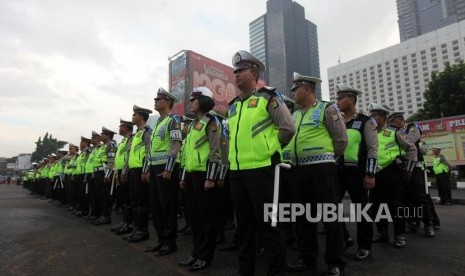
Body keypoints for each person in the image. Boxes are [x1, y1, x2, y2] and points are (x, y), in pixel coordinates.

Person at [228, 50, 295, 276]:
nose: (236, 75)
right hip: (237, 173)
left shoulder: (268, 97)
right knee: (243, 229)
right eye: (234, 71)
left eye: (241, 71)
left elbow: (288, 128)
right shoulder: (233, 105)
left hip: (264, 171)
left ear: (254, 73)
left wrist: (270, 149)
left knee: (271, 227)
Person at [287, 72, 347, 276]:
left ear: (308, 89)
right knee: (302, 218)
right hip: (298, 170)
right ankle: (307, 259)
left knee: (330, 217)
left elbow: (341, 139)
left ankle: (335, 262)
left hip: (322, 169)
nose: (293, 92)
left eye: (296, 88)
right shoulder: (294, 114)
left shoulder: (327, 108)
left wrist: (329, 159)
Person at [178, 87, 221, 271]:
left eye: (195, 99)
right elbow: (187, 153)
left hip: (205, 176)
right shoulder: (194, 125)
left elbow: (215, 151)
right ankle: (196, 252)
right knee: (194, 217)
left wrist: (211, 177)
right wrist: (184, 175)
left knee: (206, 218)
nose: (191, 102)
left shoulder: (212, 121)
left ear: (204, 101)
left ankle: (205, 256)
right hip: (191, 175)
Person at [335, 84, 377, 260]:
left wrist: (370, 174)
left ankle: (365, 245)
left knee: (361, 209)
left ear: (351, 100)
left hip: (357, 172)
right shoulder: (336, 121)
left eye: (340, 98)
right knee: (331, 208)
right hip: (337, 171)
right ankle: (344, 238)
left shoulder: (366, 121)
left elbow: (372, 148)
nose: (336, 101)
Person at [370, 107, 417, 248]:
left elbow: (412, 149)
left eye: (375, 116)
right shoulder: (369, 133)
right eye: (371, 116)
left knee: (396, 205)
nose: (372, 119)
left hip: (392, 171)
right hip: (375, 172)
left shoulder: (395, 132)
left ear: (384, 119)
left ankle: (400, 235)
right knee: (377, 205)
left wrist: (408, 170)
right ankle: (382, 232)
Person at [144, 88, 182, 256]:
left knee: (167, 206)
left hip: (166, 169)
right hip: (154, 168)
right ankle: (161, 239)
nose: (155, 101)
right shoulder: (157, 122)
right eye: (155, 98)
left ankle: (170, 241)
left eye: (159, 99)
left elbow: (175, 144)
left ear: (168, 102)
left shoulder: (173, 120)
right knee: (156, 205)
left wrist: (169, 168)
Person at [123, 105, 152, 243]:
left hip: (141, 170)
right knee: (134, 200)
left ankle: (142, 231)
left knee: (141, 201)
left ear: (141, 116)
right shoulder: (136, 135)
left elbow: (148, 152)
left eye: (134, 115)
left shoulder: (147, 132)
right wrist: (126, 170)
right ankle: (136, 229)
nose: (132, 117)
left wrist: (146, 170)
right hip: (134, 170)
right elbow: (130, 155)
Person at [404, 122, 436, 237]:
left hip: (415, 169)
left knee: (420, 197)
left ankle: (429, 224)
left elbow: (410, 141)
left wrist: (399, 137)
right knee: (407, 198)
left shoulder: (412, 127)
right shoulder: (398, 132)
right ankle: (412, 222)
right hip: (404, 168)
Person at [111, 119, 135, 235]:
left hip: (127, 171)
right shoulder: (123, 141)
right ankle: (124, 222)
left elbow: (129, 155)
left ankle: (129, 224)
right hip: (120, 171)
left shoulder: (131, 138)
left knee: (128, 198)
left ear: (126, 127)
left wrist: (125, 171)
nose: (119, 128)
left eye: (121, 126)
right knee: (123, 198)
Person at [92, 127, 117, 225]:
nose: (100, 136)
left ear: (107, 135)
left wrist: (107, 175)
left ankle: (107, 217)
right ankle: (102, 215)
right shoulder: (101, 147)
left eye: (102, 134)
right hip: (98, 173)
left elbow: (111, 161)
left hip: (105, 173)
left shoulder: (110, 145)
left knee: (106, 195)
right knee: (100, 195)